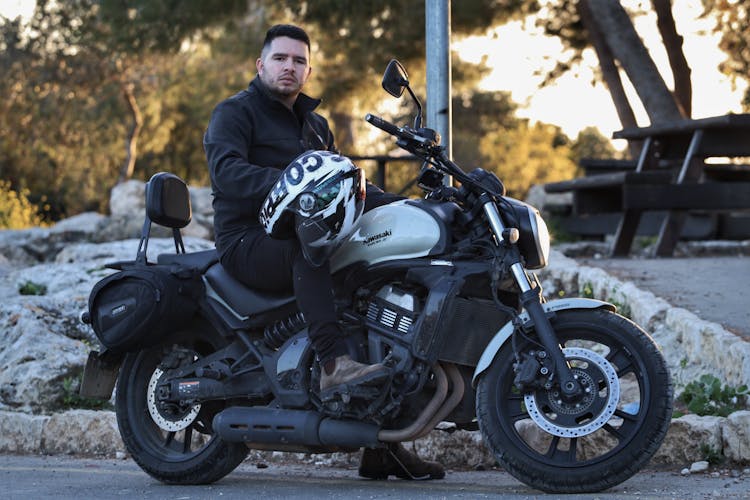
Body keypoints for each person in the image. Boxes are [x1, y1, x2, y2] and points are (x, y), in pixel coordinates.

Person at [204, 24, 444, 480]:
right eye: (280, 58)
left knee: (381, 272)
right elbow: (227, 173)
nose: (289, 67)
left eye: (298, 61)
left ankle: (383, 447)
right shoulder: (235, 113)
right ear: (261, 65)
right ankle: (334, 364)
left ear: (308, 70)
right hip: (248, 240)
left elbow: (349, 189)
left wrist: (407, 206)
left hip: (305, 235)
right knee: (308, 241)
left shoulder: (316, 126)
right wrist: (298, 188)